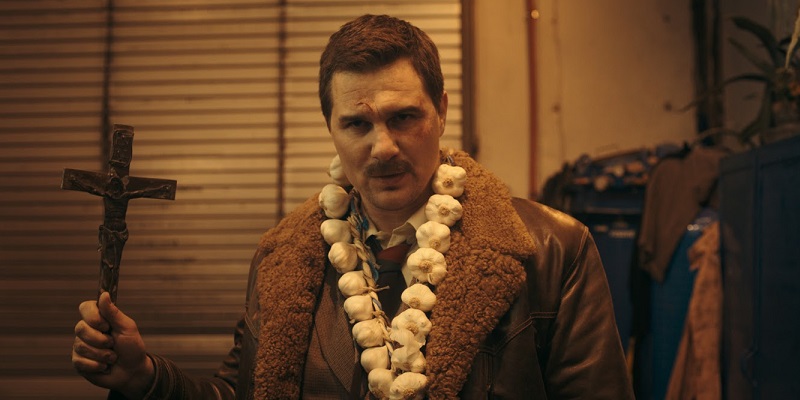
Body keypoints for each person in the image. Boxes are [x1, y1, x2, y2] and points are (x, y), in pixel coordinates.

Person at [72, 14, 634, 399]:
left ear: (441, 110)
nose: (382, 147)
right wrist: (145, 377)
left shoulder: (552, 249)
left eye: (403, 117)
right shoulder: (282, 259)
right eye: (357, 124)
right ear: (331, 129)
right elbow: (242, 391)